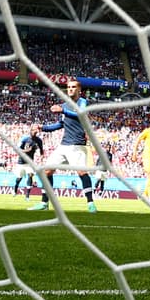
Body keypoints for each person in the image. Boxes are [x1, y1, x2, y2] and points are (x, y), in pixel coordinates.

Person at [30, 79, 97, 213]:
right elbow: (60, 125)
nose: (70, 89)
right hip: (64, 145)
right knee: (46, 171)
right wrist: (42, 127)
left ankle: (91, 204)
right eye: (68, 87)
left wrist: (62, 110)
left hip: (77, 144)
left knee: (82, 172)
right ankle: (44, 202)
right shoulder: (65, 105)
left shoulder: (82, 102)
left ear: (79, 90)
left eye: (73, 87)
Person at [13, 126, 44, 199]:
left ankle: (27, 196)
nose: (35, 132)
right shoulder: (25, 139)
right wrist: (26, 151)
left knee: (30, 175)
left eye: (36, 131)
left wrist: (41, 157)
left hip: (30, 162)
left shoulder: (39, 140)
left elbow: (41, 150)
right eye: (34, 131)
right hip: (21, 162)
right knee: (19, 179)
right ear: (30, 131)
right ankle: (15, 190)